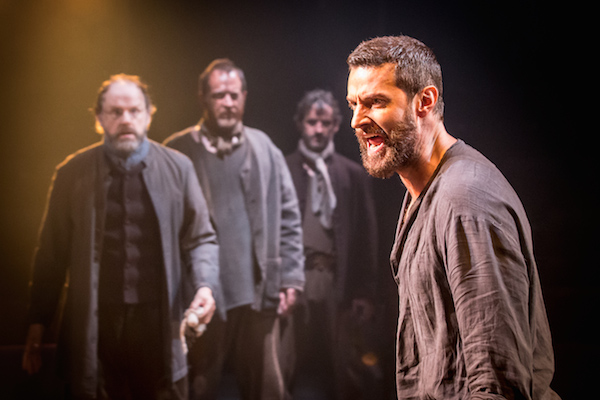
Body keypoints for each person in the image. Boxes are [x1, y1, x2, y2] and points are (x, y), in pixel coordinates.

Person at [346, 35, 561, 399]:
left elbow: (498, 383)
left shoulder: (466, 199)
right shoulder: (425, 190)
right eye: (353, 104)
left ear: (424, 101)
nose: (356, 121)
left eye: (375, 102)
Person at [21, 74, 219, 399]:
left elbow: (200, 238)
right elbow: (51, 256)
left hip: (157, 321)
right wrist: (37, 322)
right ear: (99, 118)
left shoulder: (178, 169)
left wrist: (205, 285)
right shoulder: (71, 174)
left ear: (149, 114)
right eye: (115, 112)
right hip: (96, 322)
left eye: (134, 110)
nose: (126, 119)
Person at [163, 58, 304, 400]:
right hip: (201, 295)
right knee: (197, 386)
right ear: (203, 99)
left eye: (233, 95)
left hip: (258, 293)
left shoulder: (264, 148)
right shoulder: (178, 151)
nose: (227, 103)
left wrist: (290, 278)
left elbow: (289, 217)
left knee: (266, 388)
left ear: (244, 97)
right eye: (218, 95)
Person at [283, 89, 382, 399]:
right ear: (300, 124)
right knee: (286, 367)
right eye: (312, 122)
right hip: (295, 281)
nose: (318, 129)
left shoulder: (351, 174)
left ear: (337, 125)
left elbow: (366, 236)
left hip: (335, 284)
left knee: (340, 370)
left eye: (325, 123)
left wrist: (364, 291)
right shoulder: (282, 169)